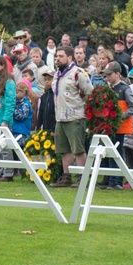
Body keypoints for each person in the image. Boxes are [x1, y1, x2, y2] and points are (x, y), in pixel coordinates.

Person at [49, 46, 94, 188]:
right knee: (64, 149)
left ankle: (82, 177)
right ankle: (66, 177)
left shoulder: (78, 73)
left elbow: (90, 93)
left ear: (69, 58)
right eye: (56, 56)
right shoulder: (56, 74)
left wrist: (84, 111)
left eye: (61, 56)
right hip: (60, 117)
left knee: (78, 149)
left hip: (75, 117)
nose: (57, 59)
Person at [103, 61, 133, 188]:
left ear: (118, 74)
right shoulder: (109, 88)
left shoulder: (125, 88)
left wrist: (120, 116)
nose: (107, 77)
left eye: (109, 75)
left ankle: (117, 181)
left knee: (117, 153)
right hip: (109, 126)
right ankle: (110, 179)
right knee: (109, 152)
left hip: (120, 126)